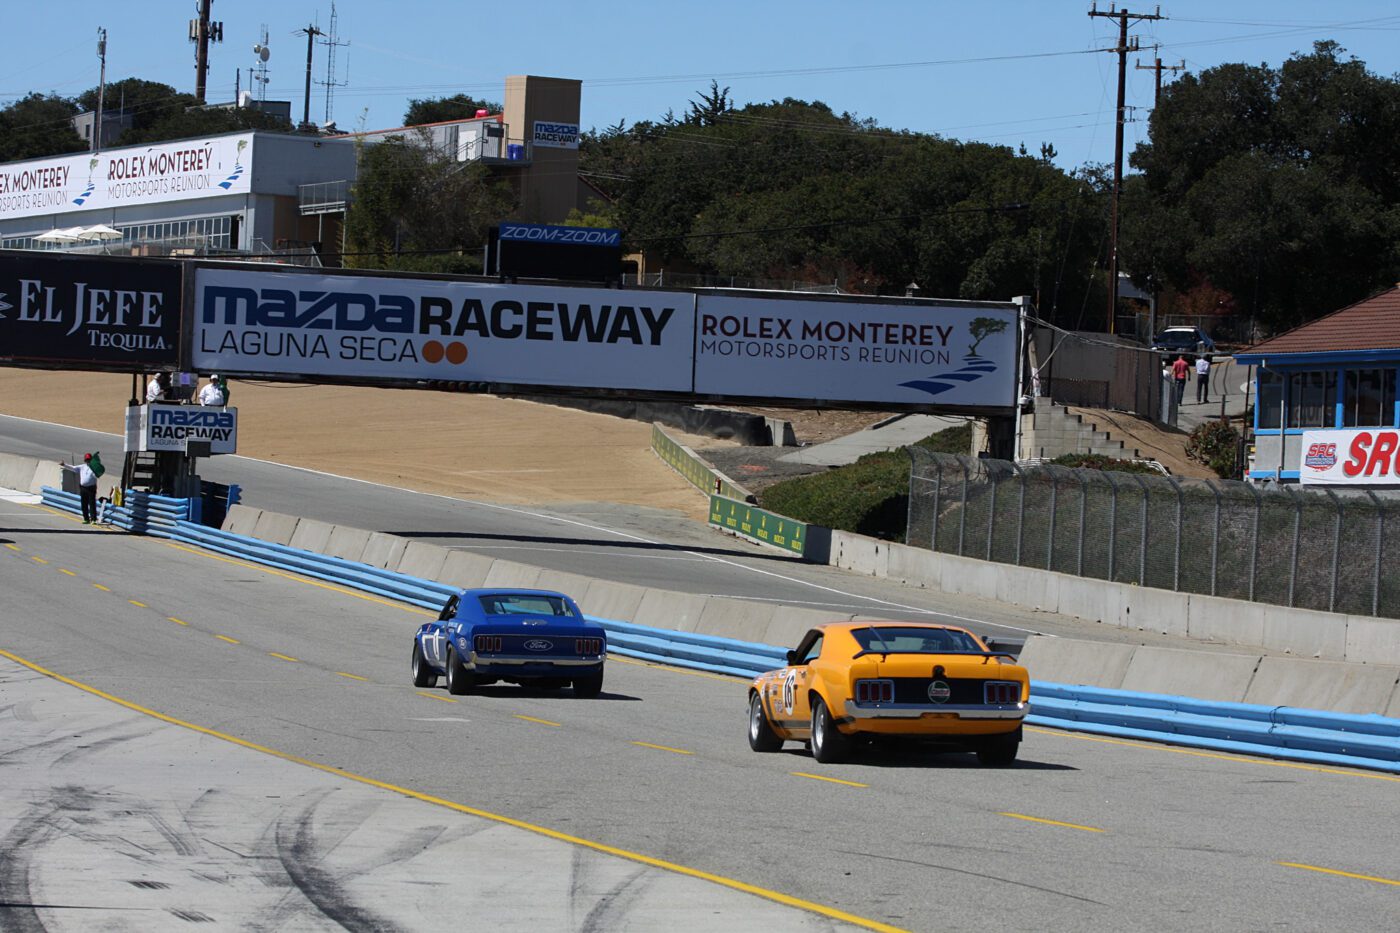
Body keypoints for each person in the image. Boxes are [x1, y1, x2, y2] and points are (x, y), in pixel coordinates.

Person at [60, 453, 100, 524]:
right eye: (87, 460)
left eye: (89, 460)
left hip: (91, 488)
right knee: (84, 503)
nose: (88, 461)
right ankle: (86, 518)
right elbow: (73, 468)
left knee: (92, 504)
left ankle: (93, 519)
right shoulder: (82, 467)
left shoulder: (94, 467)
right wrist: (64, 465)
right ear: (85, 460)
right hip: (83, 488)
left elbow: (98, 473)